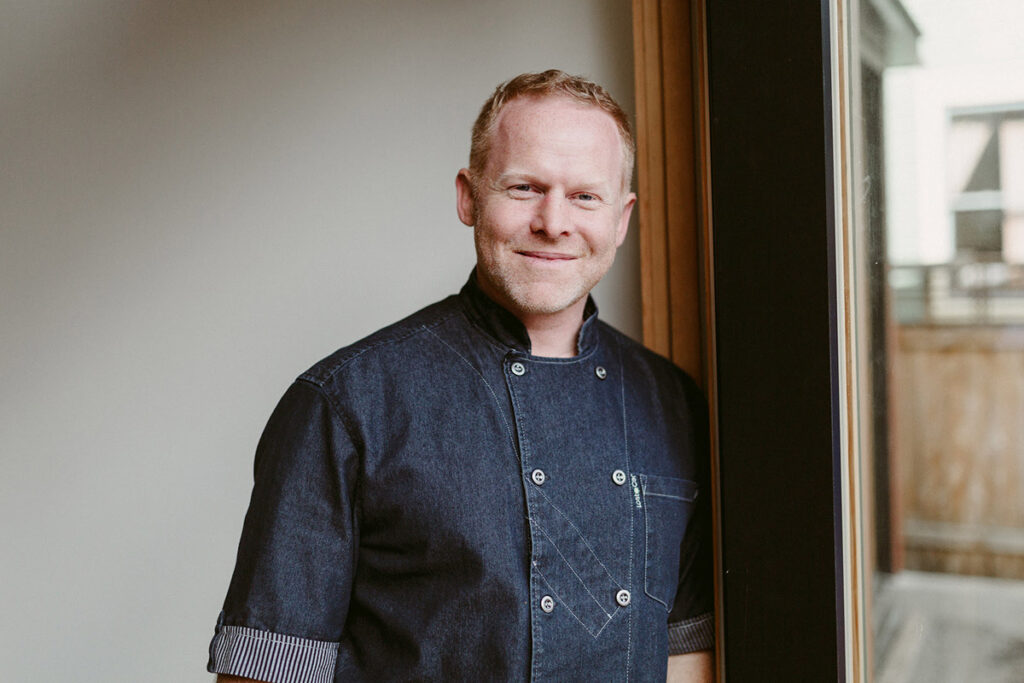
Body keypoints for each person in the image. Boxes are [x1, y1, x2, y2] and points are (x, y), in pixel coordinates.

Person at [208, 69, 714, 683]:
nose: (554, 221)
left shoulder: (675, 404)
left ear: (622, 219)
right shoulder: (344, 405)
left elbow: (688, 656)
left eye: (585, 196)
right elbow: (267, 671)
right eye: (525, 187)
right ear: (469, 196)